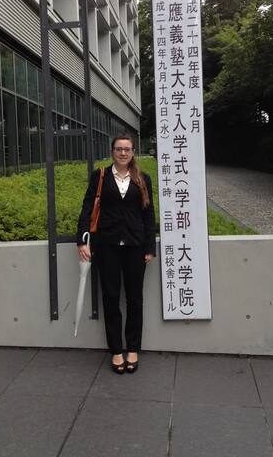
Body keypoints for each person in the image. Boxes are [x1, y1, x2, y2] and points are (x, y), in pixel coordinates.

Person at [76, 135, 156, 374]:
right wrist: (81, 240)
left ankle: (133, 348)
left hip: (135, 246)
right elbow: (87, 207)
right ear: (112, 151)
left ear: (133, 152)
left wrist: (150, 247)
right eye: (119, 149)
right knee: (110, 299)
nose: (123, 153)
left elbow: (148, 214)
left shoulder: (142, 178)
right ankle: (116, 351)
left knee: (134, 299)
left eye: (127, 149)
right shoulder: (100, 176)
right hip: (107, 246)